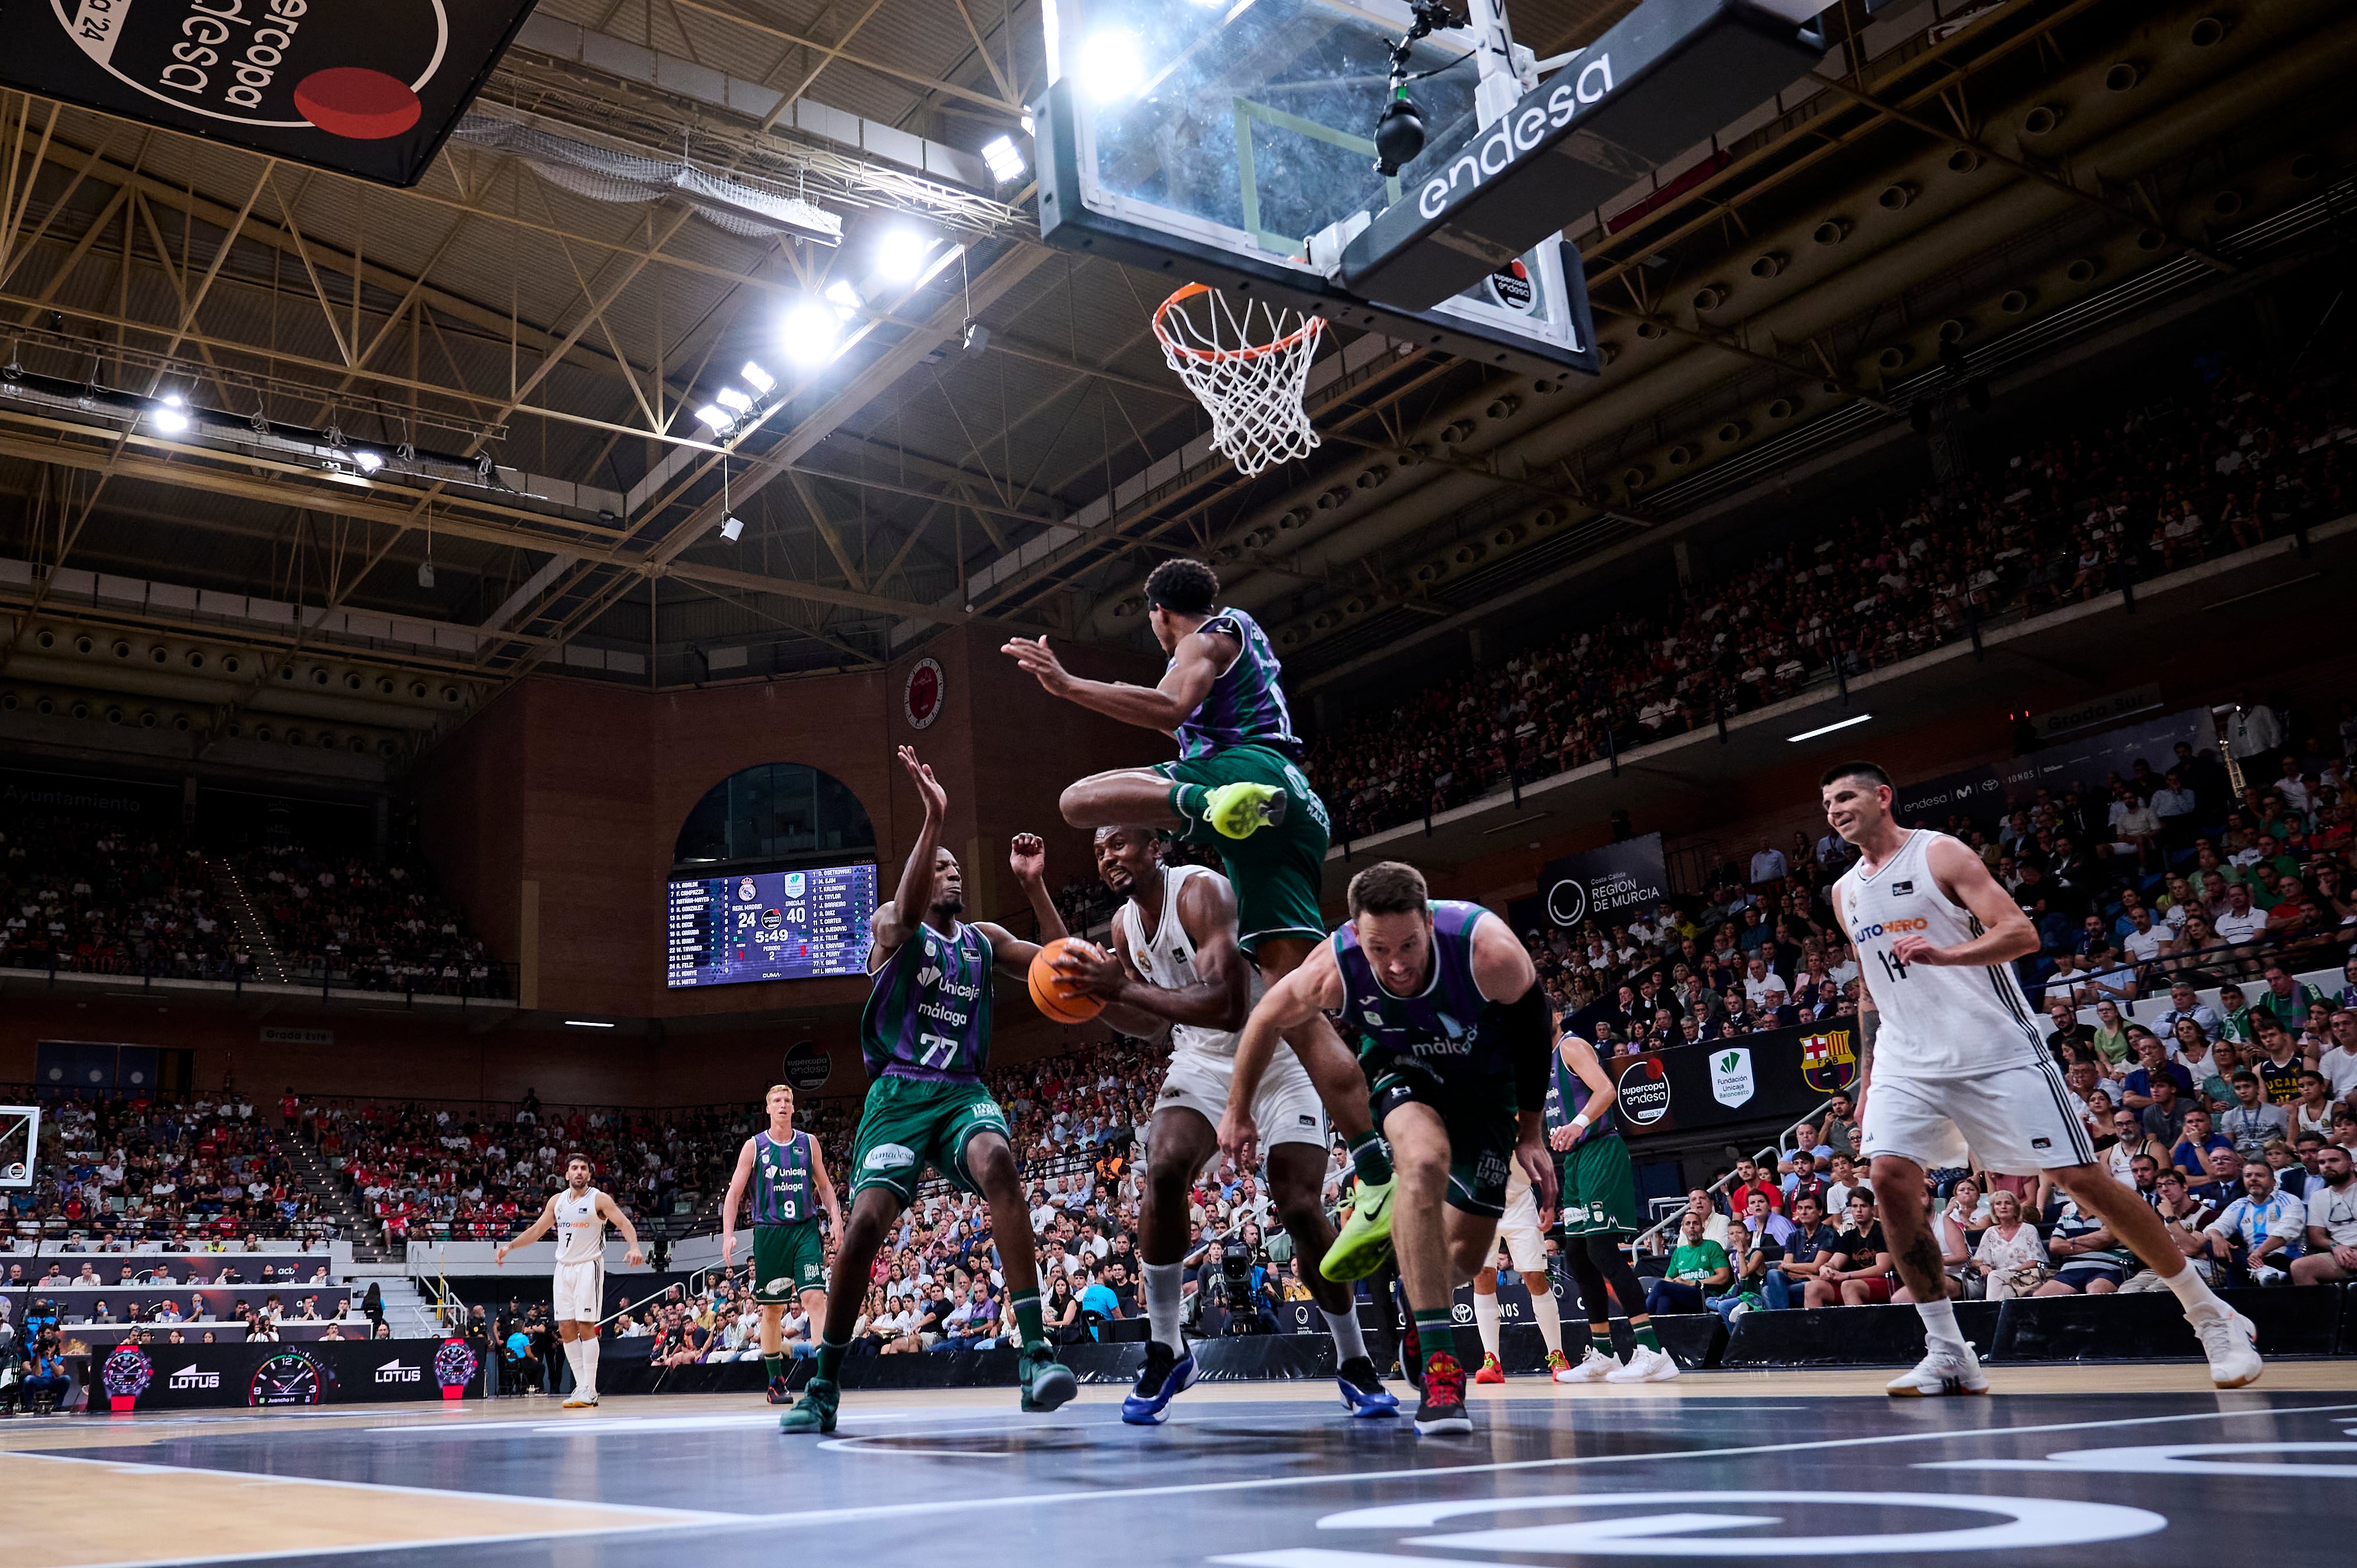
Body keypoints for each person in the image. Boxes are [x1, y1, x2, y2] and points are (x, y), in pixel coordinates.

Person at [1003, 557, 1397, 1273]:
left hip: (1245, 777)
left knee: (1076, 802)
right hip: (1296, 805)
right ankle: (1376, 1174)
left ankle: (1200, 808)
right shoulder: (1241, 638)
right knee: (1295, 1007)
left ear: (1158, 611)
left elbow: (1167, 708)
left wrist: (1065, 685)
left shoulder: (1201, 639)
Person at [1819, 760, 2260, 1394]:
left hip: (1994, 1048)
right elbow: (1869, 987)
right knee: (1888, 1178)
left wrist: (1947, 955)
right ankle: (1948, 1351)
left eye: (1846, 796)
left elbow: (2020, 934)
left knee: (2081, 1178)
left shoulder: (1939, 855)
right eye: (1827, 803)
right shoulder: (1845, 891)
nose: (1834, 809)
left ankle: (2210, 1314)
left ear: (1883, 797)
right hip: (1904, 1058)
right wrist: (1866, 1081)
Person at [1051, 824, 1394, 1421]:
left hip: (1279, 1055)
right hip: (1202, 1060)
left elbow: (1230, 1004)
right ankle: (1166, 1347)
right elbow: (1150, 1027)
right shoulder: (1121, 927)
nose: (1109, 856)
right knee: (1160, 1169)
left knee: (1298, 1205)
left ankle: (1353, 1359)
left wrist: (1123, 985)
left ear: (1154, 847)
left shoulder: (1201, 894)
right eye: (1100, 849)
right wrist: (1104, 997)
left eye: (1121, 843)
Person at [781, 746, 1076, 1434]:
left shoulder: (982, 939)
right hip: (897, 1096)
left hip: (960, 1091)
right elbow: (904, 912)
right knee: (862, 1232)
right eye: (938, 866)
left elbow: (1066, 973)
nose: (950, 873)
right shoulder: (890, 927)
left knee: (999, 1163)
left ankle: (1034, 1353)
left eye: (953, 867)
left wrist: (1034, 887)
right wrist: (933, 818)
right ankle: (825, 1382)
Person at [1220, 860, 1556, 1436]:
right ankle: (1442, 1369)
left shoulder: (1489, 951)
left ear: (1429, 922)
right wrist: (1237, 1109)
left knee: (1464, 1260)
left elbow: (1533, 1033)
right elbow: (1264, 1020)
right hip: (1405, 1070)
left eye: (1408, 945)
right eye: (1380, 949)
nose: (1396, 965)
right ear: (1355, 935)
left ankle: (1413, 1300)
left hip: (1488, 1089)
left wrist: (1530, 1131)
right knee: (1421, 1163)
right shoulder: (1333, 967)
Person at [1546, 1024, 1675, 1382]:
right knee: (1576, 1254)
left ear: (1554, 1015)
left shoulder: (1571, 1046)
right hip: (1574, 1158)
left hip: (1600, 1147)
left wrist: (1579, 1123)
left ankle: (1652, 1351)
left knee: (1603, 1251)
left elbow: (1607, 1089)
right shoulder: (1540, 1062)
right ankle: (1603, 1353)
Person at [719, 1083, 844, 1405]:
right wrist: (728, 1233)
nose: (784, 1105)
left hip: (804, 1228)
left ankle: (823, 1377)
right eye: (777, 1100)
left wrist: (836, 1217)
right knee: (773, 1309)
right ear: (768, 1108)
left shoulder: (808, 1143)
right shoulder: (754, 1146)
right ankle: (775, 1380)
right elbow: (734, 1193)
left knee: (816, 1299)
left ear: (793, 1107)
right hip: (770, 1233)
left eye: (788, 1100)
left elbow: (826, 1187)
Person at [493, 1153, 643, 1408]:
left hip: (588, 1266)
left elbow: (623, 1221)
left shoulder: (599, 1199)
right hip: (563, 1268)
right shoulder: (557, 1201)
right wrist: (511, 1246)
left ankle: (591, 1389)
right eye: (574, 1168)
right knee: (565, 1327)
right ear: (567, 1174)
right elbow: (537, 1230)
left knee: (585, 1325)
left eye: (583, 1168)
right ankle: (580, 1386)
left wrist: (635, 1246)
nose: (579, 1172)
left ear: (589, 1174)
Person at [2290, 1144, 2357, 1284]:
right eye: (2322, 1162)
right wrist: (2336, 1247)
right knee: (2300, 1267)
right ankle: (2325, 1307)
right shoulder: (2318, 1197)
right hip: (2340, 1253)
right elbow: (2316, 1236)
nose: (2327, 1165)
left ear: (2352, 1165)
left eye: (2334, 1160)